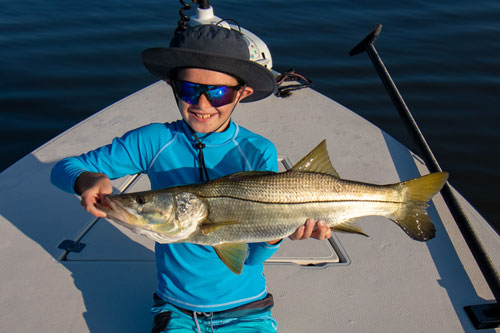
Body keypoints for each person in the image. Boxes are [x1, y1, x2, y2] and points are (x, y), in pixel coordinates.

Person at [51, 24, 331, 332]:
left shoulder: (257, 149)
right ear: (171, 84)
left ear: (243, 93)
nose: (201, 104)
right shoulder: (153, 140)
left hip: (248, 308)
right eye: (188, 89)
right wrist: (85, 181)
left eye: (219, 93)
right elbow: (65, 167)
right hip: (176, 309)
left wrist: (277, 234)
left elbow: (251, 259)